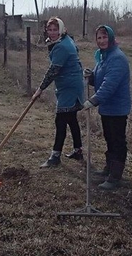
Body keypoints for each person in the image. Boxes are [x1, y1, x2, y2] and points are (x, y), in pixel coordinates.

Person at [82, 25, 131, 190]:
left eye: (104, 37)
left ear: (111, 38)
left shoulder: (117, 58)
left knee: (117, 141)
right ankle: (109, 169)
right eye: (99, 38)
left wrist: (93, 100)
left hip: (117, 108)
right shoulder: (103, 57)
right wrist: (91, 77)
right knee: (109, 139)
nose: (102, 41)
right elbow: (100, 80)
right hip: (107, 108)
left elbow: (110, 85)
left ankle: (115, 176)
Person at [32, 17, 85, 168]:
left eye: (56, 29)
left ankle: (55, 156)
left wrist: (40, 89)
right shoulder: (66, 40)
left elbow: (53, 71)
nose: (53, 32)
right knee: (71, 119)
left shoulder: (62, 46)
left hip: (70, 87)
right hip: (71, 85)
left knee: (60, 120)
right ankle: (78, 150)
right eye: (50, 29)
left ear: (61, 29)